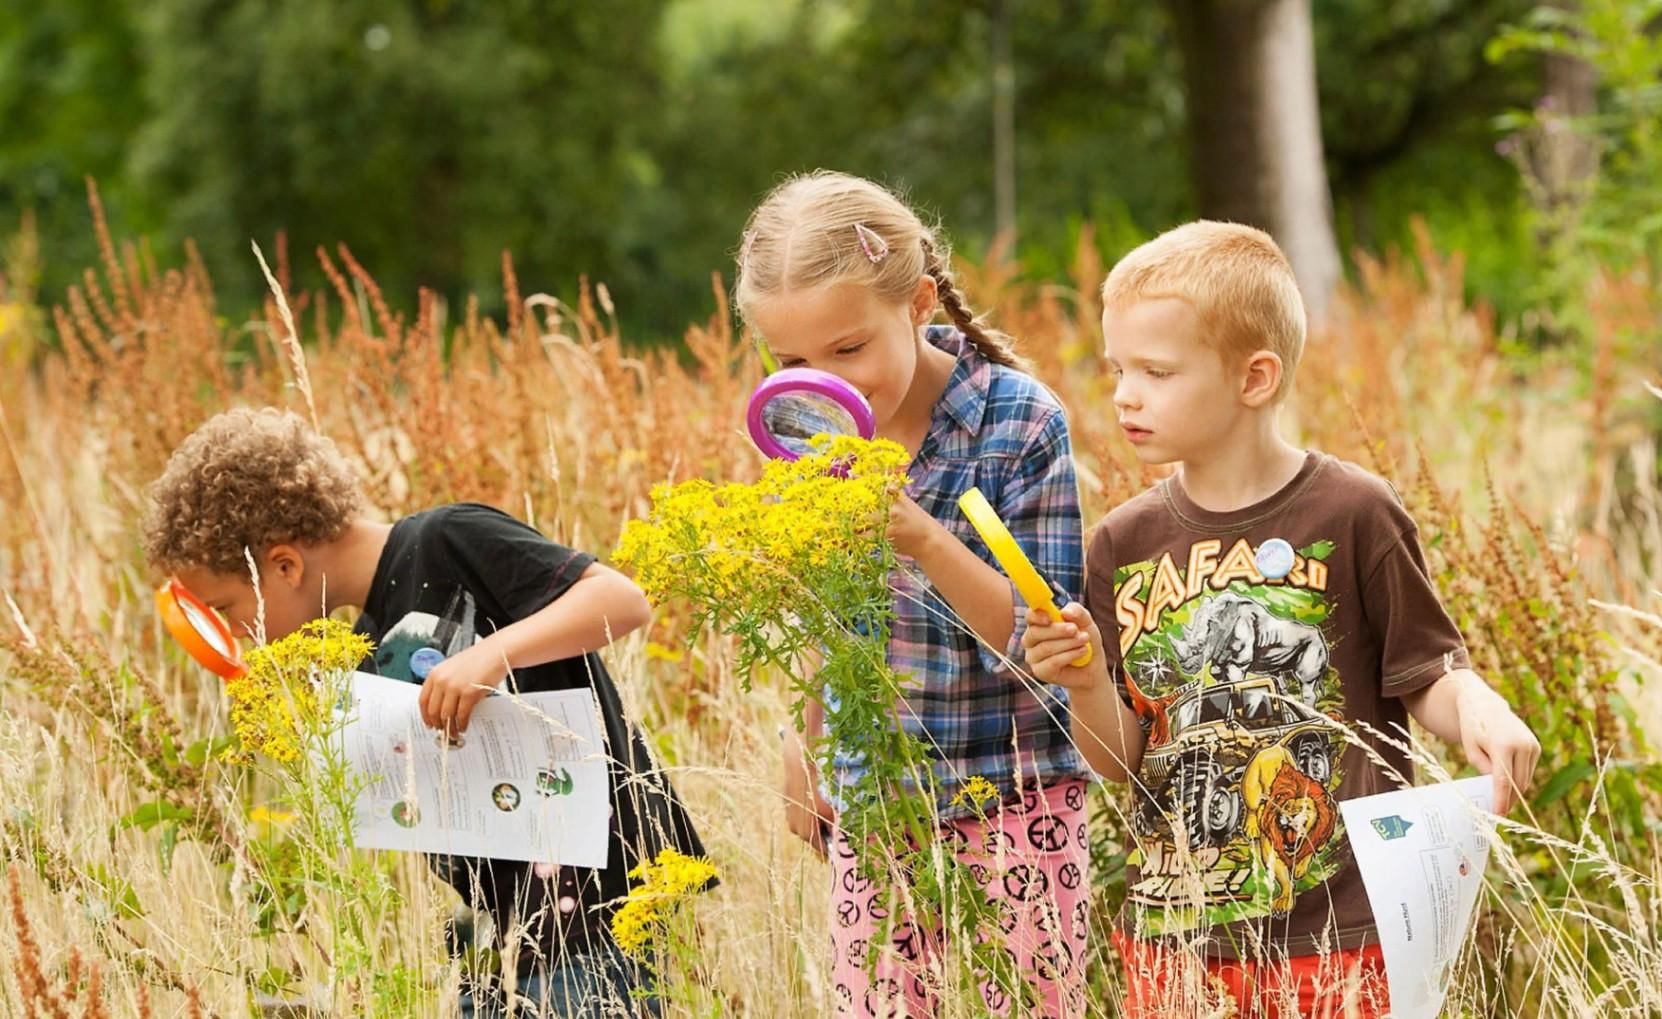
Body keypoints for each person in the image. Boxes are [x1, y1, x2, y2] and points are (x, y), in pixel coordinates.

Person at [1021, 221, 1541, 1018]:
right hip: (1177, 939)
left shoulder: (1354, 511)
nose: (1124, 393)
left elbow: (1427, 672)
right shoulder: (1122, 542)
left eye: (1156, 371)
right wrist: (1087, 679)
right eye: (1117, 368)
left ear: (1254, 377)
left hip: (1344, 932)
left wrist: (1479, 703)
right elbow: (1119, 761)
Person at [144, 407, 710, 1017]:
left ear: (285, 564)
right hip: (501, 937)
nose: (239, 635)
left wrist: (492, 654)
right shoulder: (362, 646)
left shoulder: (447, 539)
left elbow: (620, 601)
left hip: (602, 915)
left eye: (226, 609)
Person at [736, 171, 1094, 1017]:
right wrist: (805, 735)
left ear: (919, 302)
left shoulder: (1019, 423)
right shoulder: (800, 431)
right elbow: (825, 600)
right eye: (791, 361)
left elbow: (1040, 643)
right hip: (878, 801)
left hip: (1016, 790)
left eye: (849, 349)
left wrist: (925, 539)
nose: (829, 384)